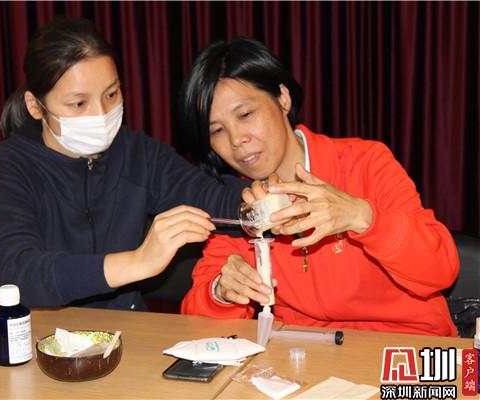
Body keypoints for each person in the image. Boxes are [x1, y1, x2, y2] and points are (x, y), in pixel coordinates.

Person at [179, 37, 459, 336]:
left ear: (282, 98)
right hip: (306, 354)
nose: (236, 140)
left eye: (246, 115)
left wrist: (364, 217)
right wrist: (221, 292)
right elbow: (196, 325)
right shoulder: (235, 200)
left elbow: (440, 270)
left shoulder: (364, 162)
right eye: (217, 130)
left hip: (403, 346)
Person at [0, 18, 249, 309]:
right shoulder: (8, 169)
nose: (101, 113)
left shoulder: (137, 152)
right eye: (79, 103)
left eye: (111, 94)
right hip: (44, 330)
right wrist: (138, 262)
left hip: (127, 328)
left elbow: (211, 196)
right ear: (35, 106)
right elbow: (17, 272)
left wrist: (262, 203)